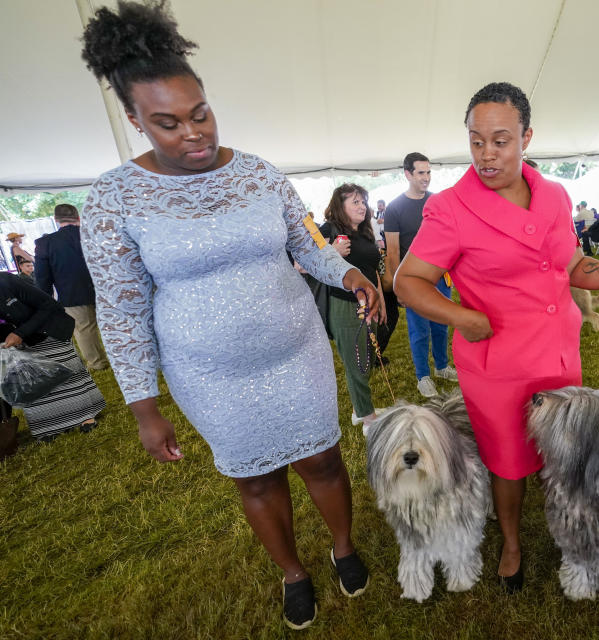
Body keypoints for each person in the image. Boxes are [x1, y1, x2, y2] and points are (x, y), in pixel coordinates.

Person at [78, 2, 379, 629]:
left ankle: (344, 546)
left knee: (322, 458)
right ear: (135, 121)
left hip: (296, 350)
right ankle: (294, 573)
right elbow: (123, 308)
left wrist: (348, 274)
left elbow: (308, 245)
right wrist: (143, 406)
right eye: (167, 123)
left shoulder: (260, 175)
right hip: (210, 375)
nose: (194, 133)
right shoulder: (112, 199)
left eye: (200, 113)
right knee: (257, 479)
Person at [393, 81, 599, 593]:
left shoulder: (553, 194)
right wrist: (461, 316)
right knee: (508, 461)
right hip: (497, 362)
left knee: (567, 450)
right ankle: (511, 542)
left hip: (558, 352)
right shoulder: (451, 208)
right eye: (476, 141)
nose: (486, 154)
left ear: (527, 137)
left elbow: (571, 264)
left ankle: (572, 531)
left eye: (500, 141)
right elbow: (407, 282)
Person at [383, 152, 457, 397]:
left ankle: (442, 366)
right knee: (419, 331)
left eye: (429, 172)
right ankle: (423, 376)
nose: (426, 178)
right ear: (408, 174)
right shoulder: (394, 208)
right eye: (421, 173)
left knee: (441, 326)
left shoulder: (438, 202)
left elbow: (449, 240)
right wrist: (398, 286)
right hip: (413, 280)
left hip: (440, 277)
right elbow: (392, 251)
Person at [0, 272, 105, 441]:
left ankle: (85, 416)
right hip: (17, 345)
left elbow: (49, 304)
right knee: (32, 383)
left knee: (66, 373)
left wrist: (21, 333)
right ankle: (49, 426)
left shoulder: (6, 281)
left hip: (48, 331)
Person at [319, 184, 385, 427]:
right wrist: (331, 251)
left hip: (371, 303)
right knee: (356, 361)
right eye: (355, 202)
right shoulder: (329, 230)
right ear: (340, 206)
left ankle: (360, 408)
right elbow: (301, 266)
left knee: (368, 357)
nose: (362, 207)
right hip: (345, 305)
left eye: (363, 201)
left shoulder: (366, 231)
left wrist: (381, 299)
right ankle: (368, 418)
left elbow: (372, 269)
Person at [34, 204, 110, 370]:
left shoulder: (45, 243)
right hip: (107, 289)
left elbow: (42, 277)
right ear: (78, 217)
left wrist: (46, 301)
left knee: (84, 330)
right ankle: (125, 357)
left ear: (56, 220)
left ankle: (98, 363)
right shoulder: (96, 235)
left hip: (72, 294)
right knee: (116, 324)